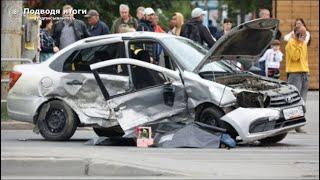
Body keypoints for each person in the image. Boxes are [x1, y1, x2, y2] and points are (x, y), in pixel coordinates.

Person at [285, 26, 309, 133]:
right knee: (293, 101)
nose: (303, 36)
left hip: (304, 74)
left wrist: (307, 71)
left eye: (304, 34)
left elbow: (304, 59)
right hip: (295, 74)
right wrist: (299, 43)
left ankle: (298, 124)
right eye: (301, 34)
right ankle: (290, 124)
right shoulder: (291, 43)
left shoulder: (303, 43)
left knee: (302, 101)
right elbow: (295, 57)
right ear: (296, 33)